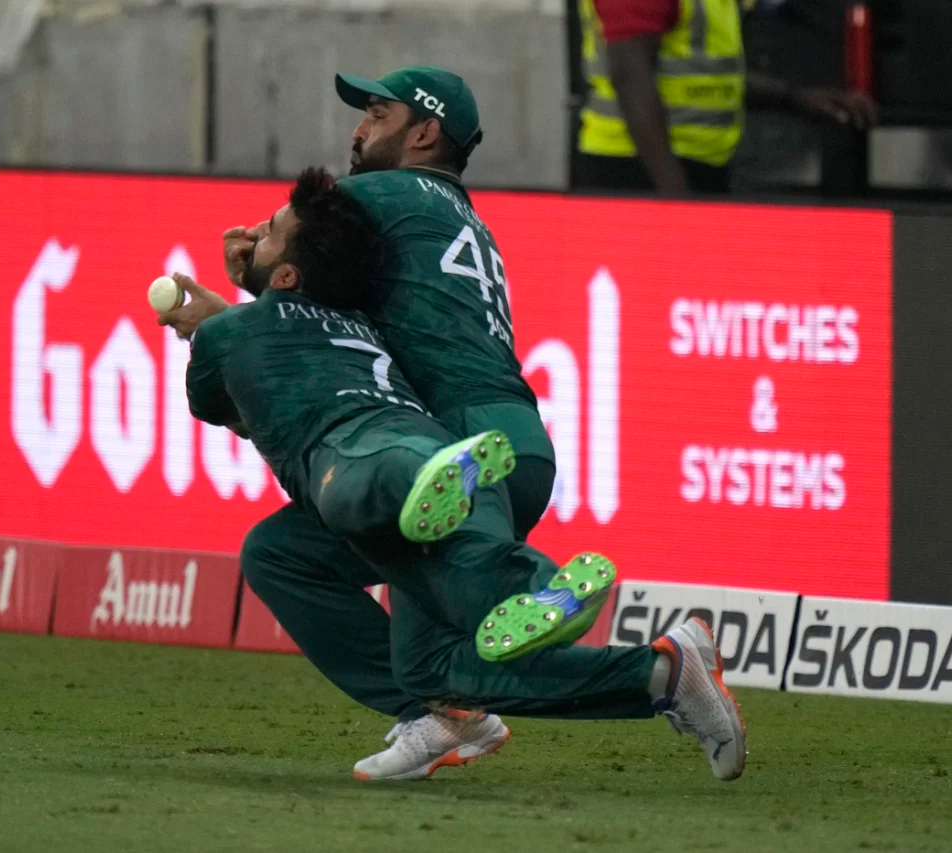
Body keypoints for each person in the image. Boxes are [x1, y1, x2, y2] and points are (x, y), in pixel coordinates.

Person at [182, 167, 747, 783]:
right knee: (409, 644)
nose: (255, 231)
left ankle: (451, 502)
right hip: (435, 437)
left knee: (357, 483)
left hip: (369, 452)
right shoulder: (361, 320)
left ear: (288, 276)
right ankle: (659, 671)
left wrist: (210, 326)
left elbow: (217, 400)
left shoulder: (237, 328)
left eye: (269, 232)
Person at [160, 66, 583, 780]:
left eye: (378, 114)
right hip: (518, 440)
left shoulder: (372, 196)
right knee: (285, 553)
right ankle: (447, 706)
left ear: (423, 132)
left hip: (448, 441)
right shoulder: (460, 217)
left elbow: (300, 271)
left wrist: (240, 293)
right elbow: (332, 308)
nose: (359, 129)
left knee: (455, 607)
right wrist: (258, 287)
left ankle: (559, 648)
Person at [574, 0, 879, 194]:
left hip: (690, 168)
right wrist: (674, 195)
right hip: (636, 173)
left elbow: (709, 77)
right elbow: (630, 74)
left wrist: (794, 98)